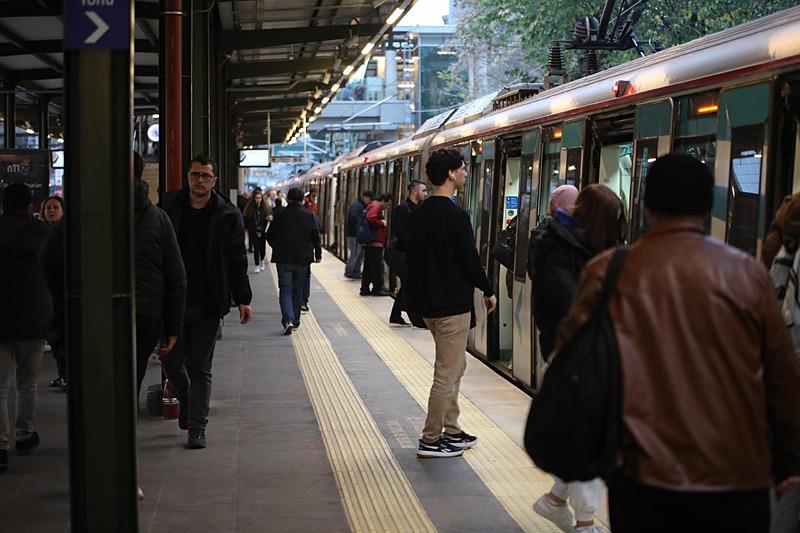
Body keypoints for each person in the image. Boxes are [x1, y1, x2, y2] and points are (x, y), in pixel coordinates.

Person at [557, 153, 800, 533]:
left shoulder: (608, 272)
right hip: (737, 477)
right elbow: (782, 377)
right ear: (708, 207)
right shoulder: (747, 274)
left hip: (644, 476)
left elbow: (572, 362)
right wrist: (788, 461)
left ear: (646, 205)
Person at [530, 184, 625, 533]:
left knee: (586, 434)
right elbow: (571, 303)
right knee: (591, 438)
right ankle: (586, 524)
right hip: (569, 351)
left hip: (588, 352)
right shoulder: (554, 246)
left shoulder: (583, 245)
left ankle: (555, 501)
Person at [406, 148, 497, 458]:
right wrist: (487, 288)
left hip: (431, 306)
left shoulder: (419, 214)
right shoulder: (455, 215)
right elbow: (469, 261)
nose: (466, 174)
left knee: (454, 367)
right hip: (451, 307)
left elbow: (412, 262)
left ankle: (453, 430)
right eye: (463, 169)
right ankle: (431, 438)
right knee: (446, 373)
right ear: (450, 174)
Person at [162, 154, 253, 449]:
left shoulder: (226, 213)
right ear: (188, 177)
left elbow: (237, 259)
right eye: (195, 175)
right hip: (172, 301)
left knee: (200, 365)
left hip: (208, 301)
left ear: (214, 181)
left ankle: (197, 426)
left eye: (206, 176)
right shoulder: (169, 207)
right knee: (170, 360)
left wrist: (243, 298)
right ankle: (188, 399)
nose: (200, 181)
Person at [0, 183, 52, 472]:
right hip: (34, 320)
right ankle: (23, 435)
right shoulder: (43, 233)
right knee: (27, 382)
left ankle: (0, 446)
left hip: (1, 321)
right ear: (31, 206)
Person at [132, 152, 186, 397]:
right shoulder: (158, 218)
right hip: (145, 315)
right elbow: (176, 279)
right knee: (131, 377)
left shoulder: (85, 213)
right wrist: (171, 328)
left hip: (92, 314)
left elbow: (50, 259)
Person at [266, 187, 321, 335]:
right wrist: (318, 254)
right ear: (303, 199)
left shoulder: (280, 215)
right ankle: (295, 321)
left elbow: (269, 235)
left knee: (285, 289)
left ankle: (288, 319)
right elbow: (315, 236)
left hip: (283, 259)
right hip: (303, 259)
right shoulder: (309, 215)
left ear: (288, 199)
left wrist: (277, 247)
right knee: (297, 290)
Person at [388, 180, 427, 327]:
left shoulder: (420, 209)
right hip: (403, 255)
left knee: (407, 285)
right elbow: (400, 232)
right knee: (410, 285)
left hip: (412, 255)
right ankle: (416, 319)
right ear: (414, 192)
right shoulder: (402, 209)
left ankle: (395, 315)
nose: (425, 193)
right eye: (423, 190)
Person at [38, 195, 67, 388]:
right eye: (48, 208)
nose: (51, 211)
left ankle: (65, 374)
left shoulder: (65, 235)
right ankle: (62, 373)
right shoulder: (40, 234)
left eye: (55, 207)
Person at [360, 193, 393, 296]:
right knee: (375, 267)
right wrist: (382, 223)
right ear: (382, 200)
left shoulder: (373, 205)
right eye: (387, 204)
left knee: (368, 267)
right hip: (375, 243)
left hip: (371, 243)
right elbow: (371, 218)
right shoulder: (376, 206)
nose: (387, 207)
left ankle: (365, 289)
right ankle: (376, 289)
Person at [344, 190, 373, 279]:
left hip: (357, 235)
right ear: (364, 197)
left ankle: (356, 271)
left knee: (359, 253)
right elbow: (354, 218)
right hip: (354, 235)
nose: (370, 202)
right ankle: (349, 271)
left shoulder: (361, 206)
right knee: (355, 253)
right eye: (369, 199)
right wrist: (364, 222)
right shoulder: (357, 206)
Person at [243, 190, 271, 273]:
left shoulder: (265, 208)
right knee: (256, 248)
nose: (258, 200)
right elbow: (246, 219)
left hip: (263, 231)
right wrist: (248, 228)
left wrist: (269, 218)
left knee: (262, 248)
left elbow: (270, 216)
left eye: (260, 198)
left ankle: (262, 261)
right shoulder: (250, 209)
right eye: (257, 198)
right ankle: (257, 265)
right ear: (253, 199)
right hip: (253, 231)